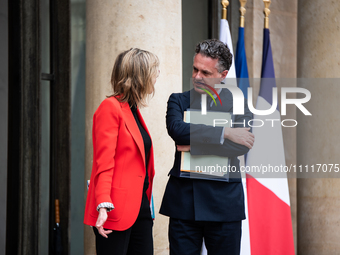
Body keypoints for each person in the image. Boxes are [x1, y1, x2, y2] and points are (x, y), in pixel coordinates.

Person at [159, 39, 254, 255]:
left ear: (223, 75)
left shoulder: (240, 105)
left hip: (224, 206)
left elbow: (240, 148)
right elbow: (177, 130)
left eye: (205, 72)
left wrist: (191, 145)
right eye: (195, 69)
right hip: (184, 205)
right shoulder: (178, 100)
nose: (197, 77)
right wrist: (225, 132)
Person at [84, 48, 160, 255]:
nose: (156, 76)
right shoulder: (110, 107)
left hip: (141, 209)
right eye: (154, 71)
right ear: (140, 75)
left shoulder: (133, 110)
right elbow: (104, 161)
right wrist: (102, 205)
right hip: (114, 209)